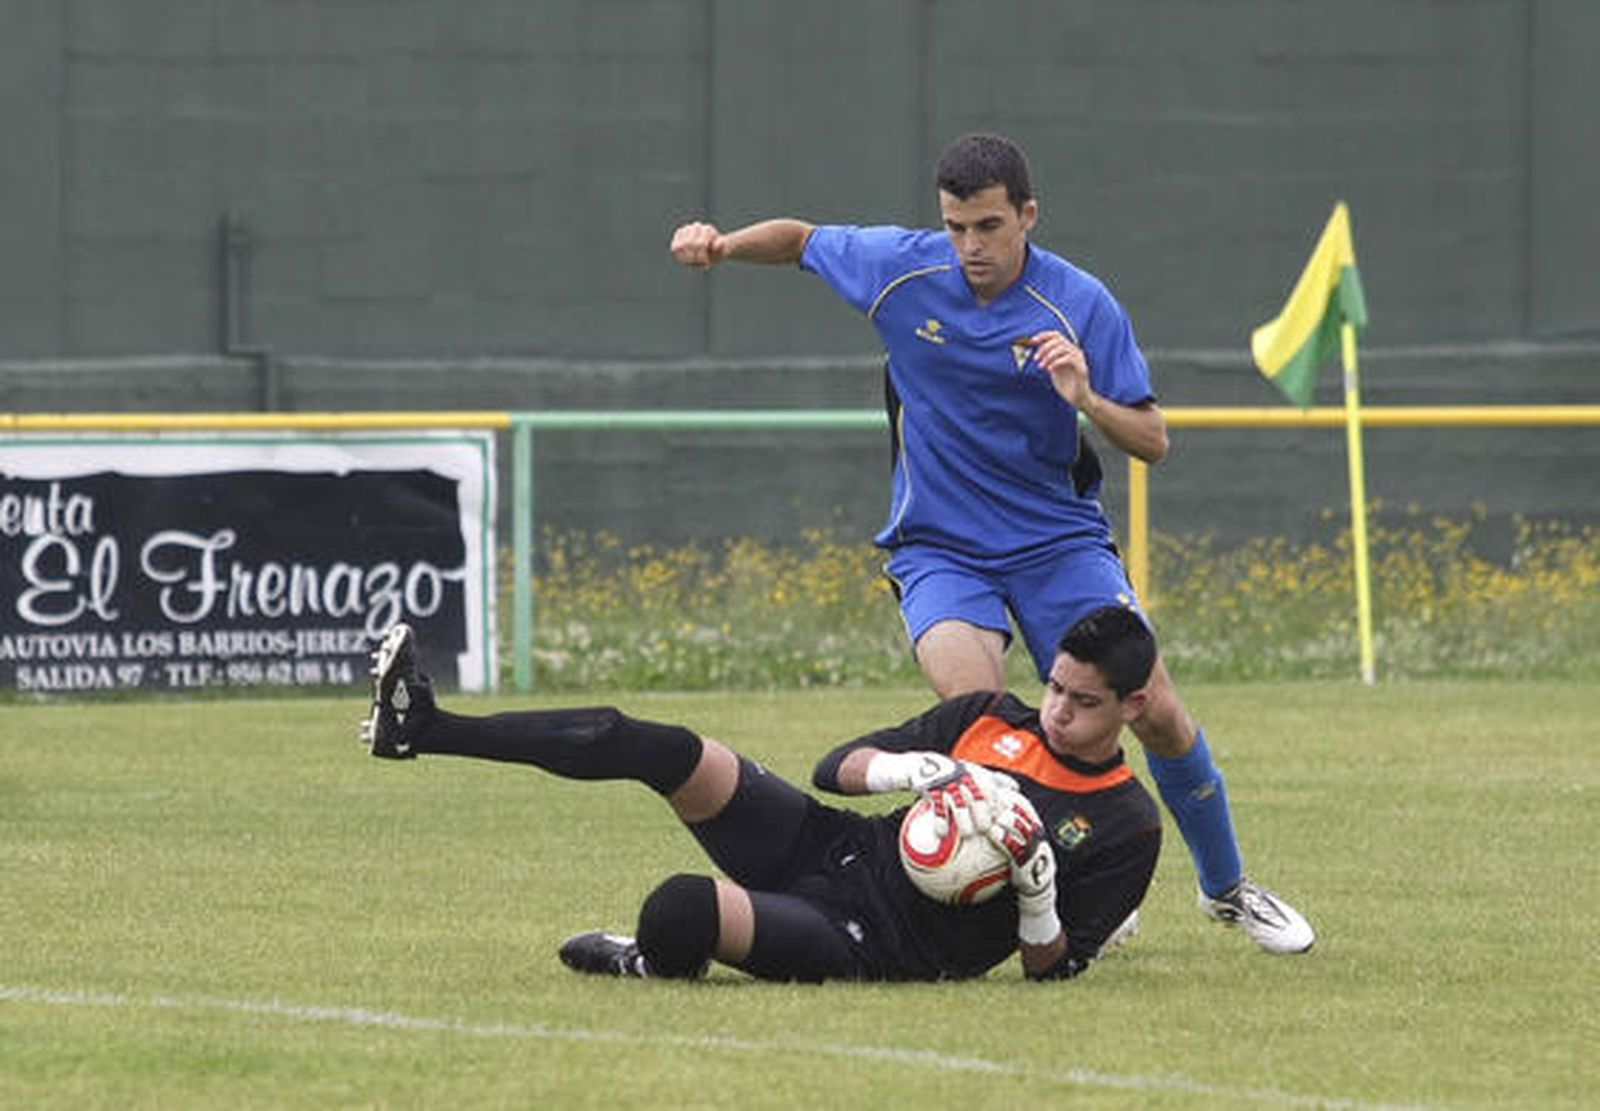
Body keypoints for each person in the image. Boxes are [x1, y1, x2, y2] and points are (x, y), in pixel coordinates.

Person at [669, 133, 1313, 953]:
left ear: (1027, 215)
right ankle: (1057, 896)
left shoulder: (1080, 303)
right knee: (979, 725)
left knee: (1154, 708)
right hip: (939, 549)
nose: (970, 245)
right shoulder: (901, 269)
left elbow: (1152, 440)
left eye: (988, 226)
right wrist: (724, 245)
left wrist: (1085, 397)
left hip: (1059, 544)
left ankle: (1227, 889)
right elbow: (799, 239)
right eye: (955, 226)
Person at [359, 606, 1162, 982]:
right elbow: (835, 765)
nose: (1057, 710)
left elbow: (1053, 969)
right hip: (833, 843)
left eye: (1083, 701)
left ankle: (642, 960)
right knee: (652, 743)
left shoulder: (1127, 824)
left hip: (874, 942)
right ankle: (422, 726)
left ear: (1131, 706)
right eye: (1054, 686)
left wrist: (1035, 889)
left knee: (680, 908)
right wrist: (917, 771)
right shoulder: (987, 716)